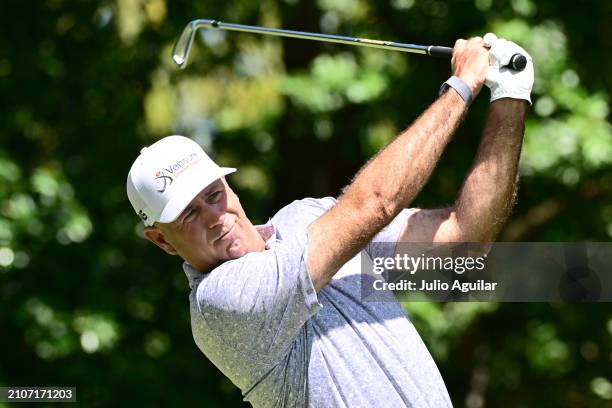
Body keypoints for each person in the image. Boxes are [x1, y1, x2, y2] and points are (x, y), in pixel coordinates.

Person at [126, 34, 533, 407]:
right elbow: (374, 203)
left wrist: (509, 96)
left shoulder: (308, 216)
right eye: (189, 214)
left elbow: (462, 236)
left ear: (229, 188)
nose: (215, 217)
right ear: (161, 240)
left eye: (214, 196)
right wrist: (461, 87)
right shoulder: (220, 302)